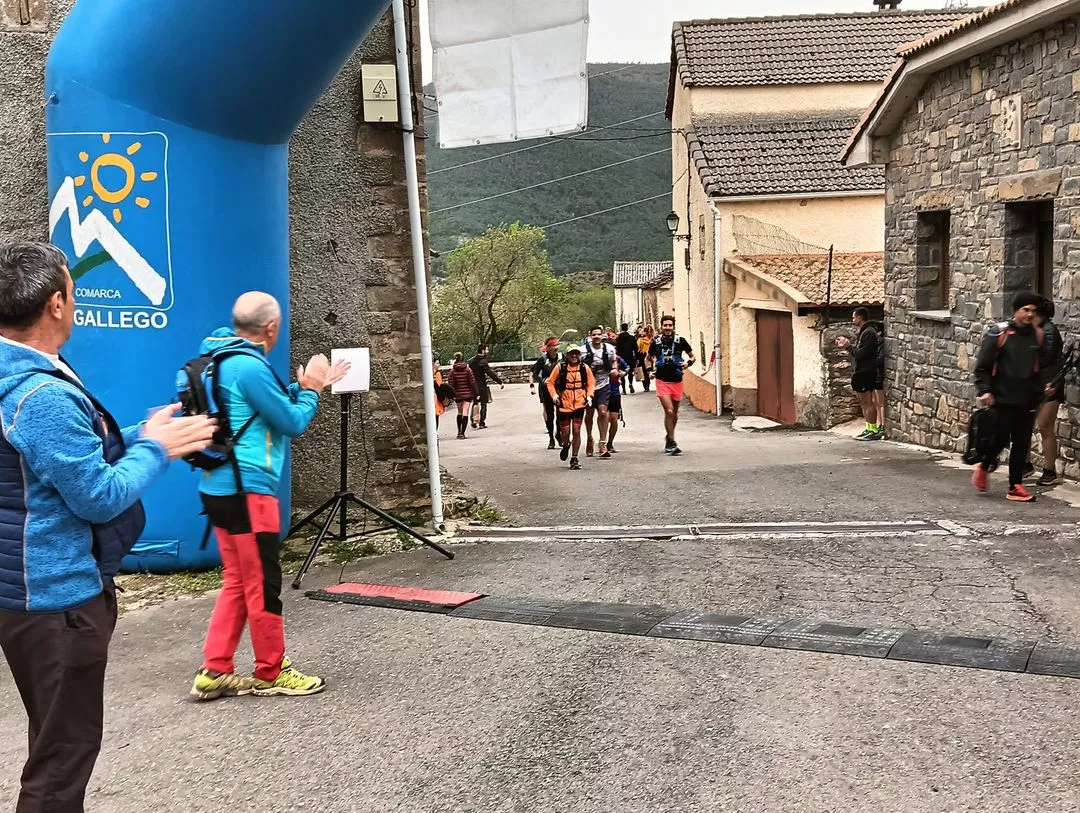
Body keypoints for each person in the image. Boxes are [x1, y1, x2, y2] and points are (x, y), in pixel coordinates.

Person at [0, 241, 216, 811]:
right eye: (73, 290)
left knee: (52, 737)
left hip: (23, 595)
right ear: (56, 304)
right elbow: (98, 496)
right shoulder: (40, 394)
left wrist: (136, 435)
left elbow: (46, 460)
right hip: (58, 599)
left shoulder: (16, 379)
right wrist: (156, 449)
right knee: (62, 759)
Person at [191, 292, 349, 701]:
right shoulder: (248, 366)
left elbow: (258, 409)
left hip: (215, 488)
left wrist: (302, 386)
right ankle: (271, 671)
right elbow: (292, 421)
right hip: (249, 491)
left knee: (236, 580)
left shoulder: (214, 361)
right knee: (262, 583)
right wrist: (312, 389)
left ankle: (216, 669)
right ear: (272, 329)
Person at [971, 292, 1053, 502]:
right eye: (1025, 310)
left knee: (1022, 442)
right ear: (1016, 311)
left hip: (1027, 399)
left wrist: (1044, 385)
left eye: (1033, 311)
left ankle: (1015, 486)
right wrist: (985, 390)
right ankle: (984, 465)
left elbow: (1041, 366)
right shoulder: (998, 333)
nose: (1029, 314)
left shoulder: (1038, 335)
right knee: (998, 440)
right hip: (1001, 398)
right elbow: (982, 366)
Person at [1030, 297, 1065, 485]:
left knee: (1045, 426)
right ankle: (1025, 464)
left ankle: (1049, 470)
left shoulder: (1049, 332)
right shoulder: (1036, 329)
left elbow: (1045, 358)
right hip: (1037, 385)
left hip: (1050, 385)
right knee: (1026, 425)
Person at [648, 315, 695, 455]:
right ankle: (671, 441)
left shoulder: (681, 341)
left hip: (677, 380)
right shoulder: (655, 342)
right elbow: (647, 358)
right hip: (662, 380)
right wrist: (650, 370)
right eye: (665, 325)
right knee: (668, 411)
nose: (667, 328)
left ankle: (669, 436)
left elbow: (693, 356)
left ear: (673, 326)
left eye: (670, 325)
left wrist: (687, 363)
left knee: (674, 414)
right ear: (661, 326)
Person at [836, 308, 883, 441]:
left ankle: (873, 429)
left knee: (868, 402)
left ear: (860, 318)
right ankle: (868, 428)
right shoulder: (864, 332)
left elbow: (860, 354)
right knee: (862, 402)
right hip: (860, 371)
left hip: (866, 371)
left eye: (853, 317)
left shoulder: (868, 333)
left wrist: (848, 346)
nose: (852, 320)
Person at [547, 346, 595, 471]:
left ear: (580, 355)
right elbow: (550, 382)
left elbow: (591, 383)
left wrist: (589, 396)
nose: (574, 356)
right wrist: (554, 396)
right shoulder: (560, 367)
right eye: (571, 354)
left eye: (576, 353)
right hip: (564, 404)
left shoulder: (585, 368)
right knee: (566, 433)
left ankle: (574, 458)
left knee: (577, 431)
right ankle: (566, 444)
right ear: (567, 355)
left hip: (579, 403)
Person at [582, 325, 618, 459]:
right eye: (594, 334)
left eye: (598, 334)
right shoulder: (583, 351)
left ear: (602, 335)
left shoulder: (609, 349)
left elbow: (614, 361)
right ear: (590, 336)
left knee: (603, 412)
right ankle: (589, 438)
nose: (596, 337)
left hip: (604, 384)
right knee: (589, 413)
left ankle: (602, 443)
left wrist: (614, 369)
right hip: (588, 386)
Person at [530, 337, 562, 449]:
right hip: (546, 389)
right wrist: (543, 380)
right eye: (554, 345)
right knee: (550, 414)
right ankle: (551, 438)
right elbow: (535, 373)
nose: (556, 347)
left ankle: (559, 434)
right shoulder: (542, 359)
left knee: (560, 413)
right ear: (548, 348)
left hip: (559, 389)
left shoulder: (561, 359)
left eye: (557, 345)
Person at [468, 344, 504, 429]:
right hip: (481, 385)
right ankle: (481, 422)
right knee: (484, 403)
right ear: (483, 350)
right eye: (487, 350)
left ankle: (474, 419)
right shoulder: (483, 362)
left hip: (473, 385)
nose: (487, 352)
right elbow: (490, 373)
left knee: (475, 403)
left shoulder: (471, 361)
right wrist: (499, 381)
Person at [447, 352, 478, 439]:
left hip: (458, 395)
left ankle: (459, 431)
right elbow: (472, 382)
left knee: (459, 412)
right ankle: (463, 433)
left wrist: (452, 395)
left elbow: (451, 384)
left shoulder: (452, 371)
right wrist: (476, 393)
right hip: (467, 394)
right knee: (465, 412)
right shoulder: (468, 370)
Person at [605, 354, 630, 454]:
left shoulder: (618, 359)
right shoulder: (599, 359)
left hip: (615, 392)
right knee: (604, 418)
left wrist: (622, 373)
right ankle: (602, 442)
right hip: (603, 392)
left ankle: (610, 443)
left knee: (614, 419)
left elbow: (627, 368)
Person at [615, 323, 638, 395]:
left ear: (621, 328)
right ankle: (630, 383)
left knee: (622, 373)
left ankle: (624, 389)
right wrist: (636, 357)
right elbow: (635, 348)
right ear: (627, 328)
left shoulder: (618, 338)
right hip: (630, 357)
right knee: (630, 372)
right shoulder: (631, 338)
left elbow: (617, 348)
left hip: (621, 358)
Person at [636, 326, 653, 392]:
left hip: (641, 356)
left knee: (642, 371)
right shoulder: (650, 339)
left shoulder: (639, 340)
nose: (641, 332)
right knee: (646, 371)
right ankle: (647, 385)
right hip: (647, 355)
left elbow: (637, 348)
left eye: (643, 331)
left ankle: (645, 386)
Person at [432, 359, 445, 429]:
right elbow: (439, 385)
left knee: (436, 415)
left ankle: (435, 431)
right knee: (435, 415)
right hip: (435, 397)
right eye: (437, 363)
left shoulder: (437, 373)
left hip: (436, 397)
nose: (438, 365)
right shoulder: (437, 374)